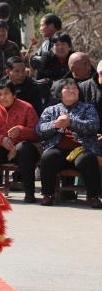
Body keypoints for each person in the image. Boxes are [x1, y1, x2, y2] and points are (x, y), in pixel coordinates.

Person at [35, 78, 101, 208]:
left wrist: (71, 123)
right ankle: (47, 194)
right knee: (48, 157)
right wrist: (55, 124)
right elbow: (39, 129)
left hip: (81, 149)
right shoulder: (50, 110)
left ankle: (93, 196)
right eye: (68, 88)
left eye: (75, 88)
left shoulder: (88, 108)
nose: (72, 90)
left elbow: (94, 125)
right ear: (60, 93)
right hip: (57, 148)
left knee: (87, 159)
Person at [0, 82, 40, 201]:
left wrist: (21, 130)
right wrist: (2, 139)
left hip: (23, 150)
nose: (3, 97)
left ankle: (29, 193)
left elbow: (36, 133)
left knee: (24, 148)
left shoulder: (27, 107)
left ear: (14, 95)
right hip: (2, 148)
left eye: (6, 93)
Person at [33, 32, 72, 97]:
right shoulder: (46, 57)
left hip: (71, 89)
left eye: (63, 44)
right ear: (52, 47)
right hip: (51, 92)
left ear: (69, 46)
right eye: (56, 45)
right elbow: (39, 77)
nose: (60, 48)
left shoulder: (75, 56)